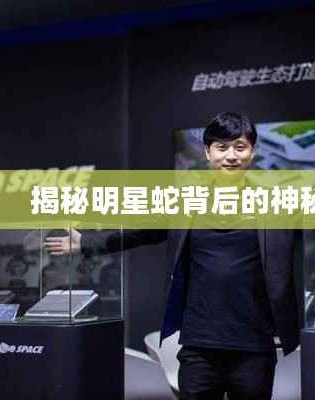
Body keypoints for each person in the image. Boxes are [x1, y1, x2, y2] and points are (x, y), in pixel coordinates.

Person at [45, 112, 299, 400]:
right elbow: (140, 232)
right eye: (222, 147)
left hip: (254, 347)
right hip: (198, 347)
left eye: (240, 147)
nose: (231, 156)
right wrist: (87, 242)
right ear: (208, 152)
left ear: (252, 152)